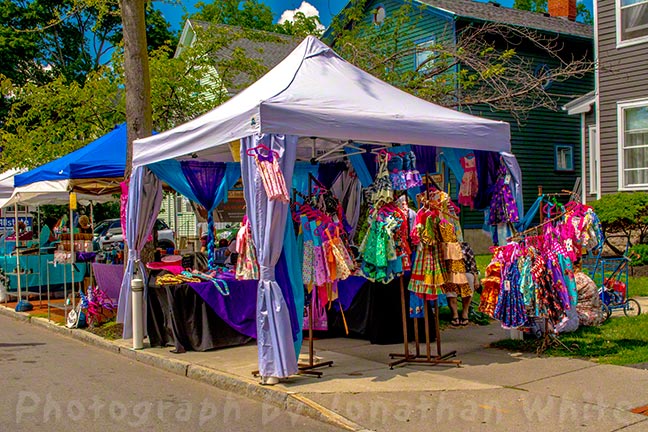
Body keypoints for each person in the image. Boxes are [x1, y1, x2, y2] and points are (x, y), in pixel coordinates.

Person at [448, 242, 480, 327]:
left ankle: (465, 312)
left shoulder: (465, 246)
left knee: (469, 278)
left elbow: (473, 264)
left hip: (465, 271)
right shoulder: (446, 245)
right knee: (451, 281)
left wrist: (476, 279)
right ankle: (455, 314)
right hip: (451, 272)